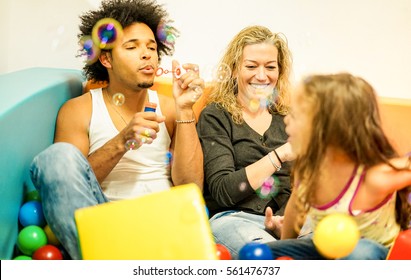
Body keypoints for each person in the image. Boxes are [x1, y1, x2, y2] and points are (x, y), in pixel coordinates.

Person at [29, 0, 204, 260]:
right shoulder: (79, 110)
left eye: (151, 47)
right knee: (57, 156)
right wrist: (122, 142)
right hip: (102, 226)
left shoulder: (170, 109)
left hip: (162, 226)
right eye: (132, 47)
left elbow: (191, 188)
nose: (147, 54)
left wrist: (186, 110)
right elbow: (68, 184)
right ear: (106, 58)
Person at [266, 72, 411, 260]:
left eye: (296, 115)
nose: (286, 119)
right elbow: (295, 210)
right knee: (264, 253)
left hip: (374, 256)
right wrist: (285, 249)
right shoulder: (310, 170)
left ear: (327, 129)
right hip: (325, 250)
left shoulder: (374, 177)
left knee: (359, 252)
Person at [196, 25, 295, 259]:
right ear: (233, 70)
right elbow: (222, 191)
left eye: (270, 67)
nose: (262, 76)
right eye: (251, 66)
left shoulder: (288, 119)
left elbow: (296, 189)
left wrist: (285, 220)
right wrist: (278, 155)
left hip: (283, 221)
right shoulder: (216, 116)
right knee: (264, 256)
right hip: (231, 219)